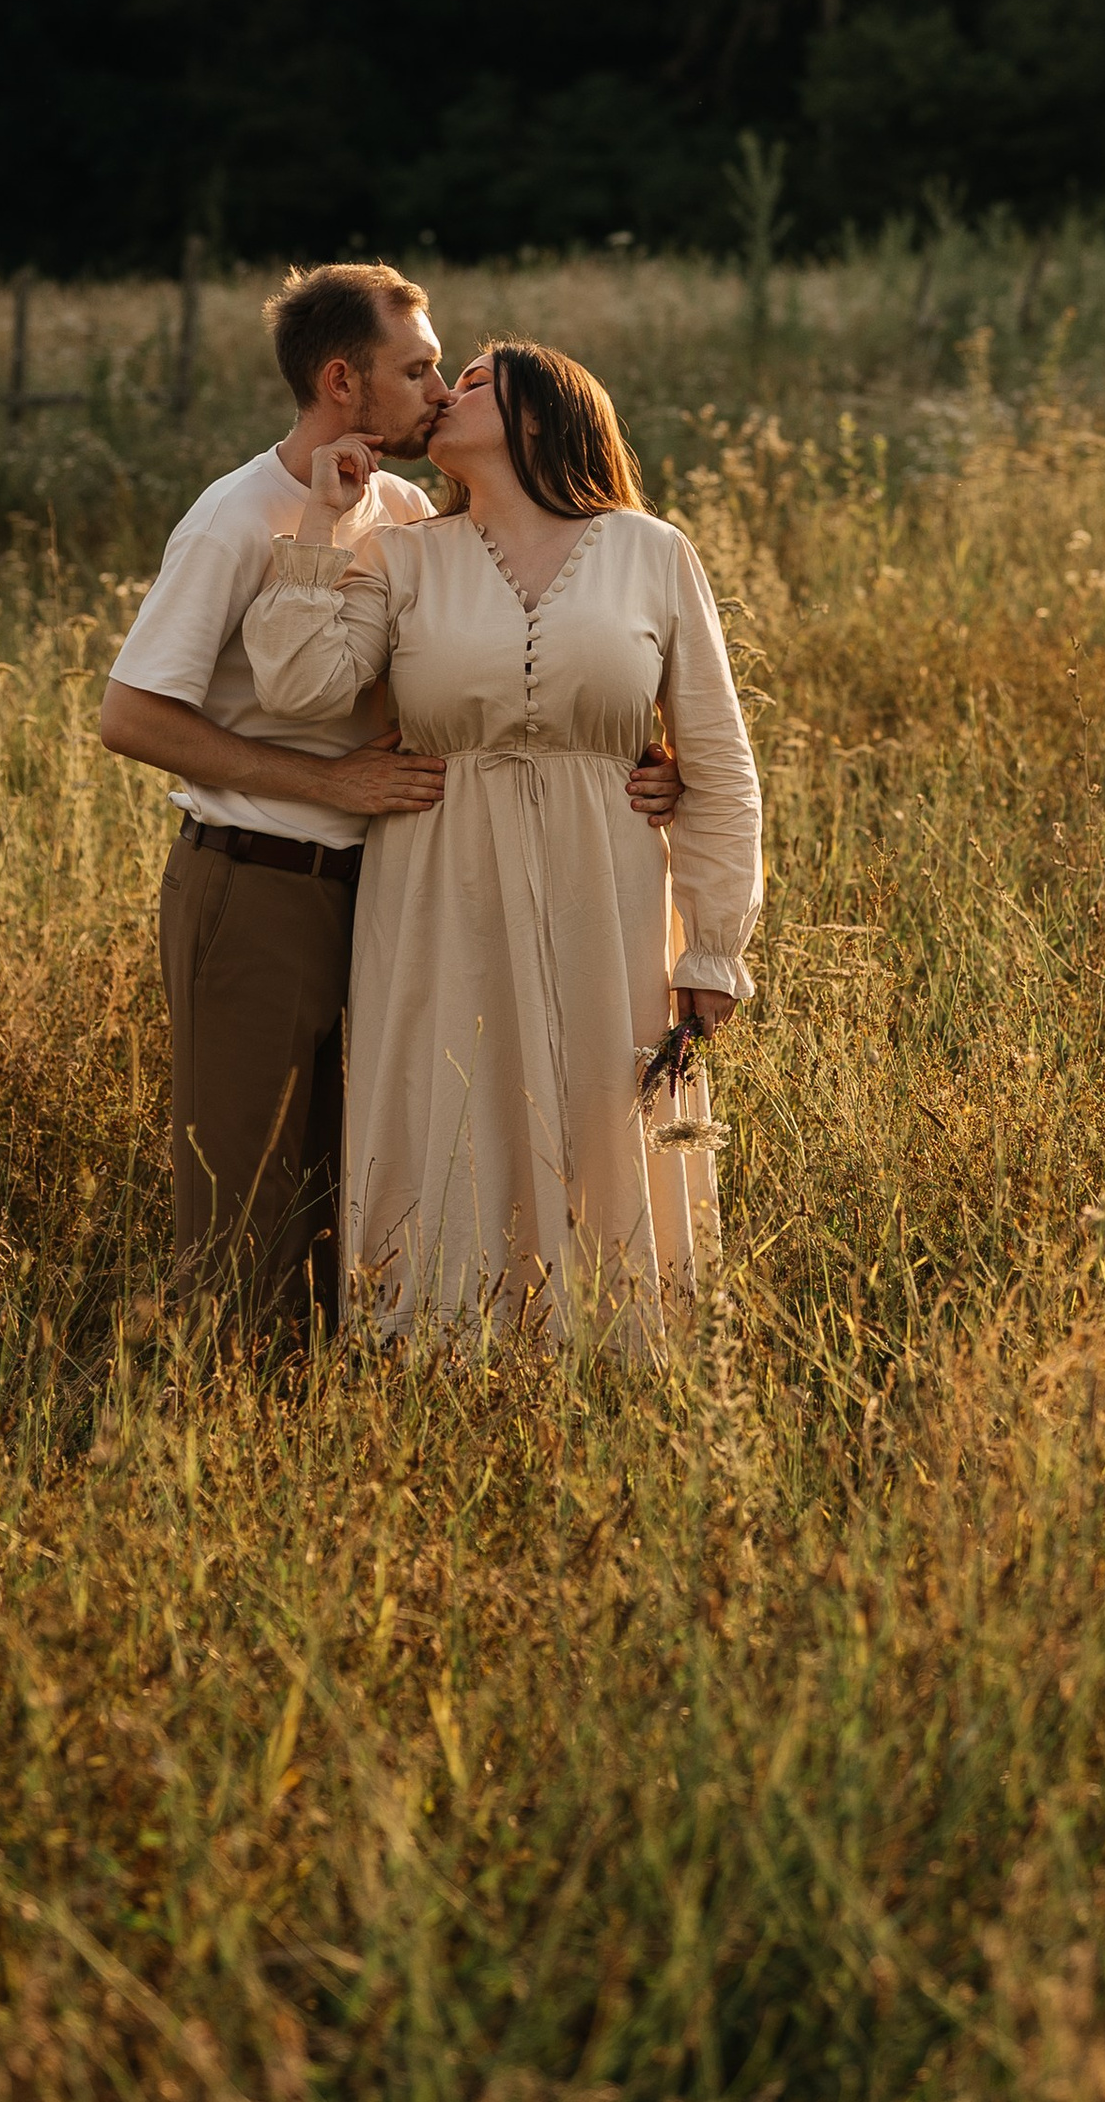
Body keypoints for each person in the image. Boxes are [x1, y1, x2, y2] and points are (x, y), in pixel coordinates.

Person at [98, 265, 684, 1339]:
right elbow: (129, 716)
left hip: (389, 889)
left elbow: (490, 659)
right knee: (246, 1198)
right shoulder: (237, 517)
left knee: (368, 1168)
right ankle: (214, 1404)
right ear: (341, 380)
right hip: (257, 879)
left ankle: (357, 1392)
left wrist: (631, 758)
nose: (439, 391)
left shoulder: (407, 509)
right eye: (417, 370)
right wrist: (329, 782)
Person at [243, 338, 764, 1339]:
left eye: (475, 380)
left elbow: (719, 761)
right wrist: (321, 518)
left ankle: (617, 1354)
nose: (444, 393)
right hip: (440, 884)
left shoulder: (651, 551)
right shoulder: (401, 555)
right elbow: (298, 686)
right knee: (446, 1103)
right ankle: (442, 1356)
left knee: (604, 1109)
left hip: (608, 887)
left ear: (541, 412)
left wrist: (713, 946)